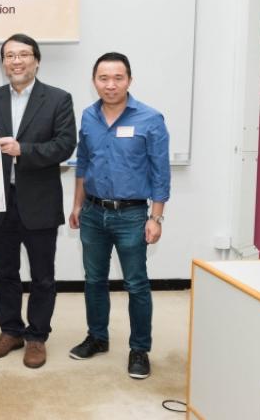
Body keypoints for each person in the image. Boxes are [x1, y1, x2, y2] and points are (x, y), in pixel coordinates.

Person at [68, 52, 170, 380]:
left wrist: (156, 218)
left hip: (132, 215)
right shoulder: (88, 116)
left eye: (118, 78)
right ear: (94, 81)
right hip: (94, 213)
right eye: (103, 78)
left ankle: (139, 349)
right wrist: (77, 205)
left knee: (136, 284)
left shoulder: (150, 118)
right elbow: (83, 164)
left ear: (129, 80)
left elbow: (160, 173)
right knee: (94, 280)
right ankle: (97, 338)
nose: (110, 85)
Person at [0, 34, 76, 368]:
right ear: (3, 62)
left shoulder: (59, 99)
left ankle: (36, 337)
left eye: (23, 55)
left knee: (43, 275)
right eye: (9, 56)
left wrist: (24, 151)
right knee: (5, 273)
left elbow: (65, 145)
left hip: (40, 201)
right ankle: (10, 331)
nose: (16, 61)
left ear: (36, 59)